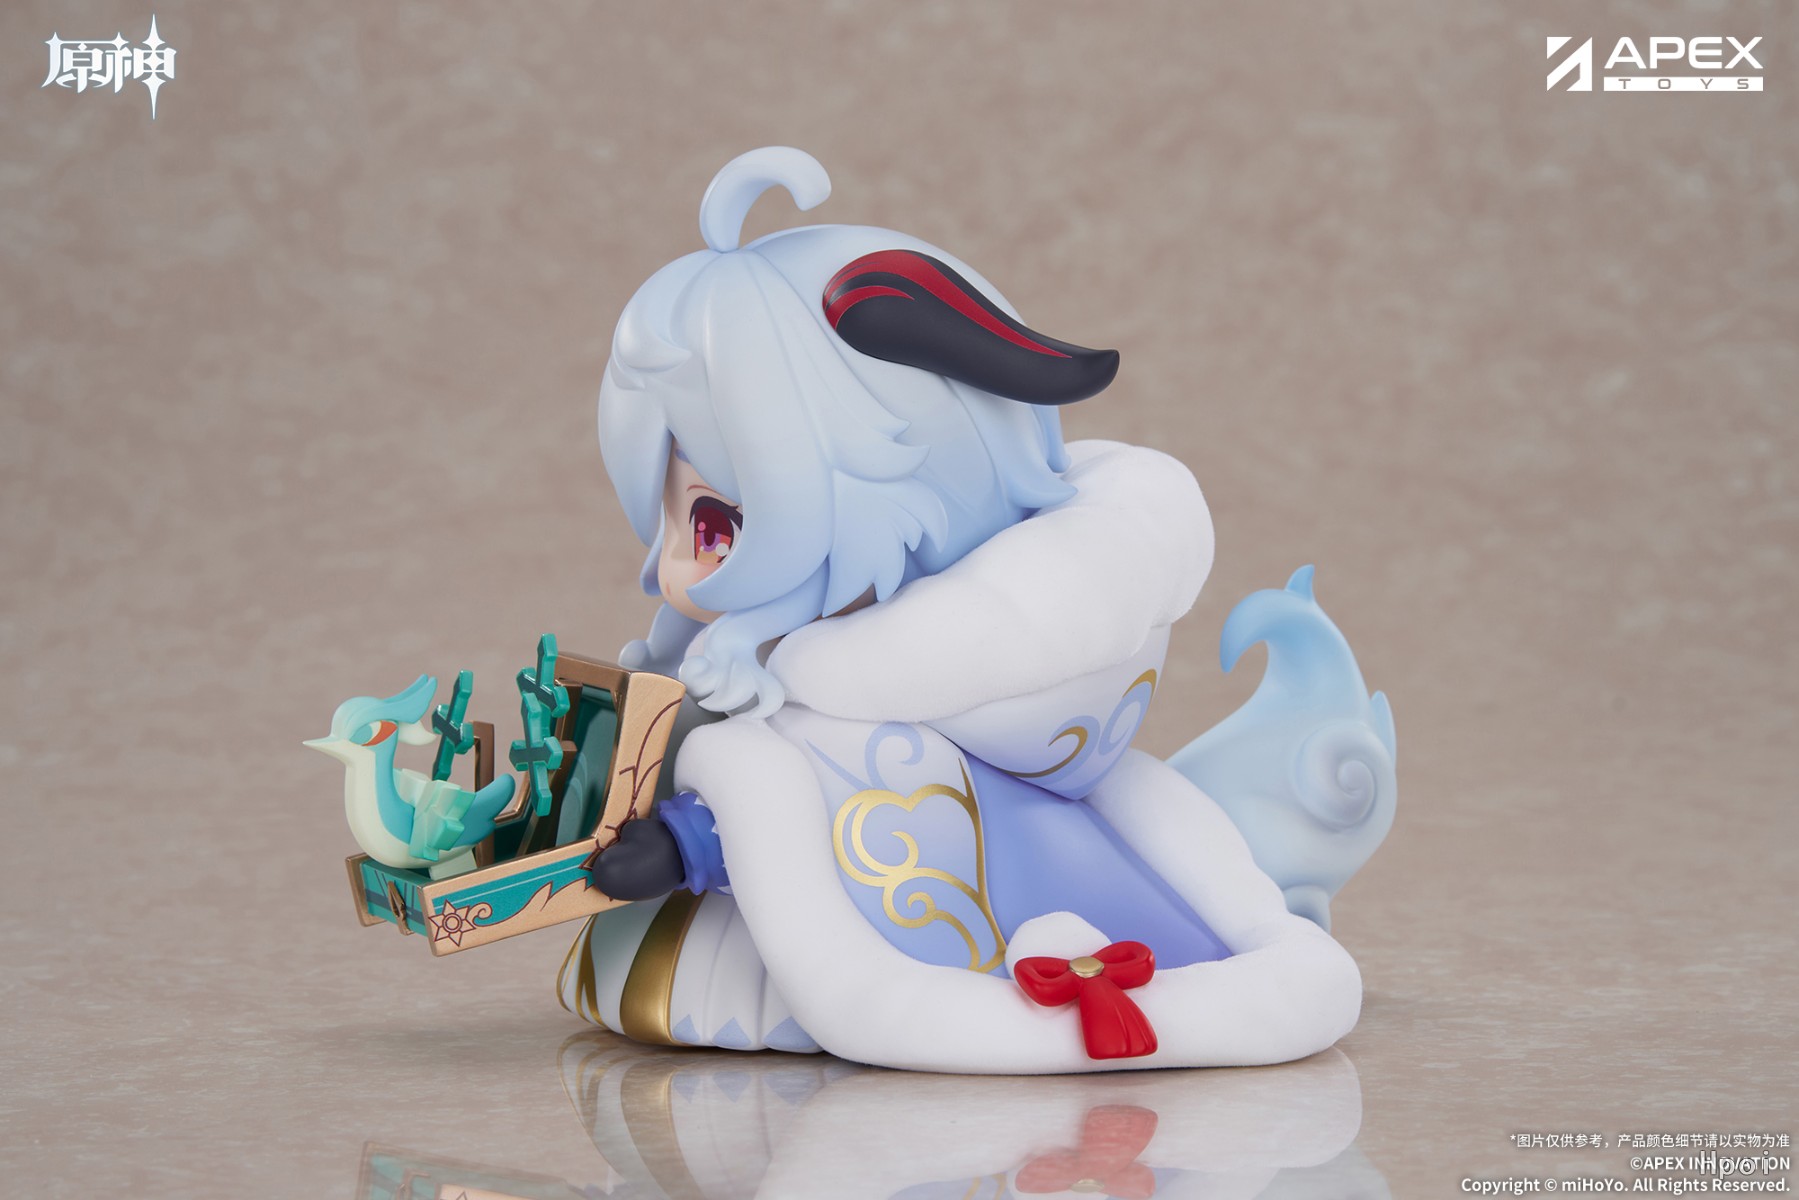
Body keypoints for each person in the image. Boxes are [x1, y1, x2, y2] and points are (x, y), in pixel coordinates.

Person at [559, 147, 1390, 1073]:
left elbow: (839, 817)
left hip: (905, 947)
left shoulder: (934, 696)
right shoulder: (783, 671)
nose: (676, 572)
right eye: (670, 519)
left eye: (715, 523)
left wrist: (685, 846)